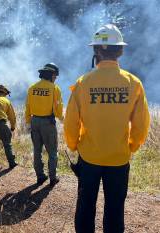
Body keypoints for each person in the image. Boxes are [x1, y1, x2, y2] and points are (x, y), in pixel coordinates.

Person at [64, 24, 150, 233]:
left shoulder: (83, 83)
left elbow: (71, 122)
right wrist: (130, 147)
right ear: (119, 50)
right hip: (119, 159)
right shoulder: (133, 83)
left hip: (89, 159)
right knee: (115, 209)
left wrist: (74, 145)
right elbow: (141, 125)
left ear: (97, 50)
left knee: (85, 207)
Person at [25, 63, 63, 187]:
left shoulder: (32, 88)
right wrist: (62, 119)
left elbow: (28, 106)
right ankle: (53, 178)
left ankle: (40, 176)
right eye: (55, 76)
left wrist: (27, 122)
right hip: (48, 123)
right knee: (52, 152)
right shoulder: (54, 88)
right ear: (51, 75)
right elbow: (58, 107)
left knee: (37, 150)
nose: (55, 78)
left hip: (34, 121)